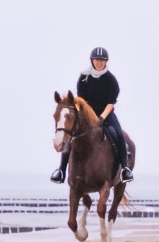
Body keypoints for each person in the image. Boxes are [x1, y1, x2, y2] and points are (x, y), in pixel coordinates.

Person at [51, 47, 134, 184]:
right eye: (97, 60)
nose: (99, 62)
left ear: (106, 62)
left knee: (119, 134)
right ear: (92, 60)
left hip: (106, 114)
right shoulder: (83, 78)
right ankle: (61, 171)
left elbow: (111, 103)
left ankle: (125, 169)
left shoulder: (111, 80)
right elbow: (81, 101)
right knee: (71, 136)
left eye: (102, 60)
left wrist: (101, 118)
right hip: (87, 114)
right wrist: (87, 116)